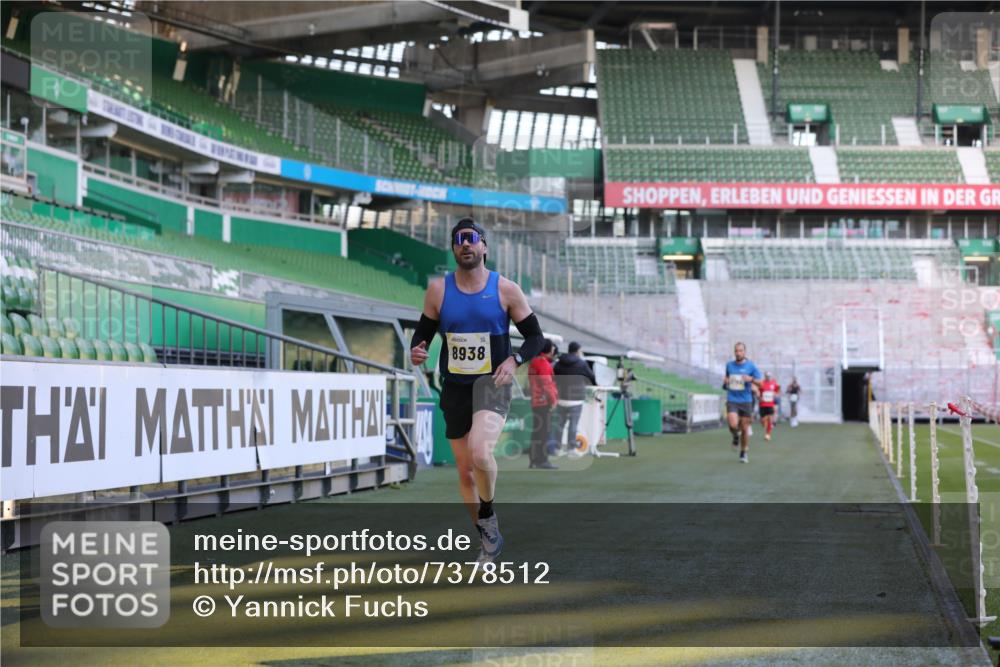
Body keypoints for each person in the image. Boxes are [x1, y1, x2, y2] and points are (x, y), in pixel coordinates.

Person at [410, 218, 546, 562]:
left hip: (492, 383)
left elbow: (536, 338)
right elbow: (422, 333)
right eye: (458, 240)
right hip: (454, 386)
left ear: (484, 246)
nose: (465, 244)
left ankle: (488, 514)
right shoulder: (438, 290)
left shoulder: (506, 290)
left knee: (480, 453)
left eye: (471, 239)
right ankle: (488, 541)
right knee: (465, 471)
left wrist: (514, 360)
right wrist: (417, 349)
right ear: (454, 249)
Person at [553, 341, 597, 454]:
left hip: (561, 397)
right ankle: (571, 448)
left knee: (560, 424)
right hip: (576, 399)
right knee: (573, 424)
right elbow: (591, 377)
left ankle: (557, 448)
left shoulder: (559, 362)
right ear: (577, 351)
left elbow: (554, 377)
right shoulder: (582, 363)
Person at [724, 342, 762, 463]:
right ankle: (735, 436)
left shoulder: (751, 366)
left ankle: (744, 452)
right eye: (736, 351)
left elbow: (760, 383)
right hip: (732, 399)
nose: (738, 353)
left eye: (740, 351)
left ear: (744, 352)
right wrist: (726, 381)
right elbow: (726, 382)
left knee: (745, 429)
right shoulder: (729, 365)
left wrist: (750, 379)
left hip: (746, 401)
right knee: (732, 424)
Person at [528, 340, 559, 470]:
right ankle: (542, 460)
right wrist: (553, 401)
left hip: (536, 401)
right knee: (543, 432)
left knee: (537, 432)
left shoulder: (534, 362)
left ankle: (534, 459)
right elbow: (547, 385)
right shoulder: (543, 363)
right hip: (543, 402)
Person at [759, 372, 780, 441]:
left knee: (770, 419)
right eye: (767, 376)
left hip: (770, 404)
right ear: (765, 376)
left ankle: (768, 434)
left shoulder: (774, 383)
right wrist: (759, 397)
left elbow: (777, 390)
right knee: (763, 421)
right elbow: (758, 392)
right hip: (762, 404)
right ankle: (764, 423)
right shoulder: (761, 383)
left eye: (769, 376)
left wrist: (775, 394)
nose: (768, 377)